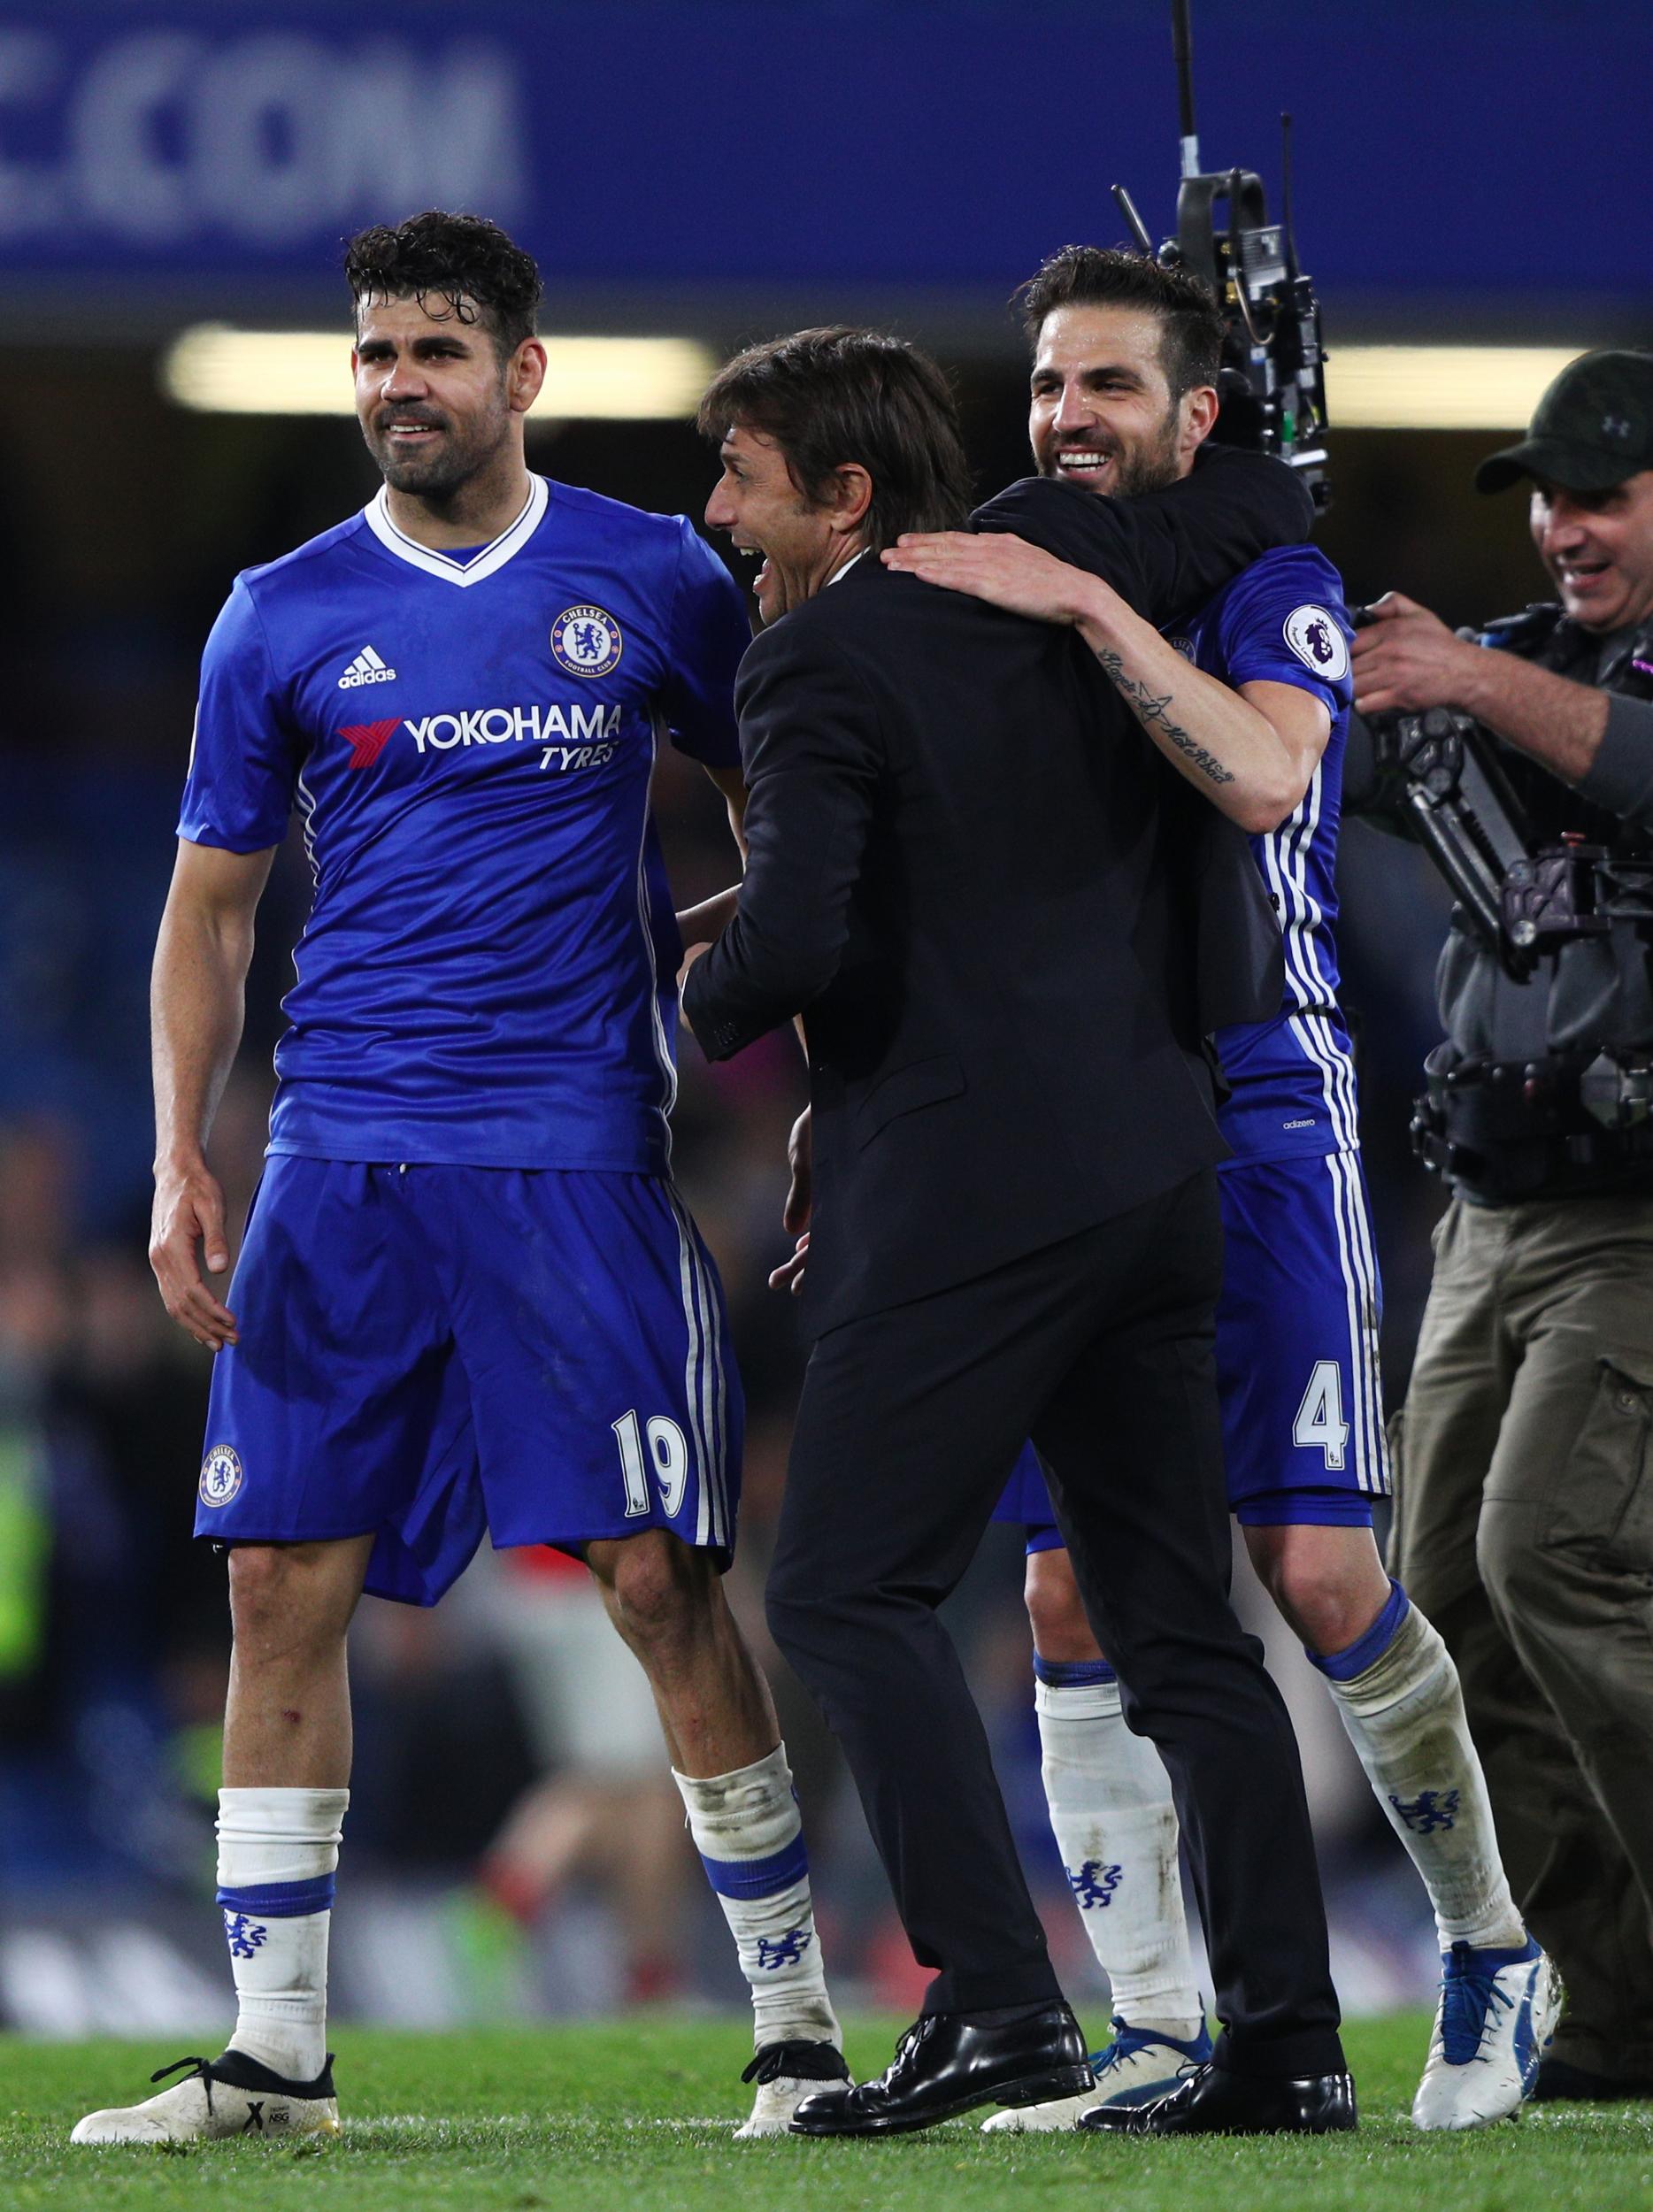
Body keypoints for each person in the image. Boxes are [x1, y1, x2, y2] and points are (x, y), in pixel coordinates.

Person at [71, 211, 845, 2148]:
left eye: (433, 348)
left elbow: (781, 806)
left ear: (523, 372)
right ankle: (275, 2056)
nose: (397, 382)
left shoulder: (650, 575)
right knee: (277, 1582)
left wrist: (808, 1064)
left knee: (661, 1579)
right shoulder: (278, 609)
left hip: (572, 1152)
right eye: (373, 351)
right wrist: (180, 1145)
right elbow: (211, 907)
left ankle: (796, 2029)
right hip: (338, 1155)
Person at [880, 247, 1553, 2134]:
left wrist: (1080, 612)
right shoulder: (1030, 588)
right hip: (1070, 1124)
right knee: (1066, 1594)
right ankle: (1159, 2026)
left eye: (1106, 385)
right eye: (1044, 387)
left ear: (1199, 414)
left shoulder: (1276, 586)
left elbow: (1266, 775)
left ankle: (1491, 1944)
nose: (1064, 419)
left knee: (1315, 1564)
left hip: (1261, 1104)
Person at [682, 323, 1356, 2139]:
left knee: (839, 1584)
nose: (718, 515)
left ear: (839, 493)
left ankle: (996, 2003)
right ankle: (1288, 2041)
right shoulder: (1076, 579)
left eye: (739, 477)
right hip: (1156, 1167)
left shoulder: (814, 655)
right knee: (1175, 1624)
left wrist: (700, 979)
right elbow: (1256, 498)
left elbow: (804, 940)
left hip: (972, 1182)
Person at [1349, 347, 1653, 2105]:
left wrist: (1453, 668)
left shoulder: (1514, 677)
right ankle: (1613, 2005)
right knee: (1451, 1587)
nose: (1561, 527)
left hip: (1636, 1212)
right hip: (1489, 1201)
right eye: (1546, 498)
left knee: (1556, 1552)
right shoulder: (1504, 666)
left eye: (1599, 493)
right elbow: (1302, 740)